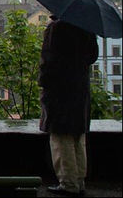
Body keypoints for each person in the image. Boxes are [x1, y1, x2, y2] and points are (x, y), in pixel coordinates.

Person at [39, 15, 98, 196]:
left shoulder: (56, 29)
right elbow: (92, 56)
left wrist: (43, 83)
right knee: (77, 136)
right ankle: (79, 180)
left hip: (59, 91)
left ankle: (68, 183)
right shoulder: (86, 26)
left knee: (61, 138)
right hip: (80, 88)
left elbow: (48, 62)